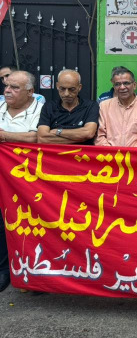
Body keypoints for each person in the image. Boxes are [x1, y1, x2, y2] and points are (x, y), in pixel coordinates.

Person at [0, 70, 43, 293]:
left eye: (15, 87)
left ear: (30, 92)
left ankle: (33, 271)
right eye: (7, 86)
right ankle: (4, 269)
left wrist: (3, 136)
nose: (7, 91)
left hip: (28, 181)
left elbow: (36, 137)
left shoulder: (41, 109)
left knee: (29, 224)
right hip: (2, 177)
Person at [96, 67, 137, 147]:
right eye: (117, 84)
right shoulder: (104, 106)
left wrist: (129, 153)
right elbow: (100, 137)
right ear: (114, 87)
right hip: (110, 153)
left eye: (126, 83)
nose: (122, 87)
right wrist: (113, 152)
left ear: (134, 85)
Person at [36, 70, 99, 145]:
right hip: (55, 152)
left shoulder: (90, 106)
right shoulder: (48, 107)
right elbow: (42, 139)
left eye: (72, 89)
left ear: (79, 87)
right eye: (62, 89)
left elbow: (88, 133)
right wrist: (81, 138)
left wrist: (58, 131)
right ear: (57, 86)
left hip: (82, 152)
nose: (66, 94)